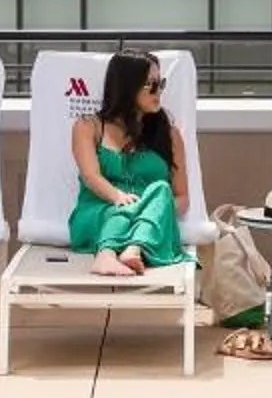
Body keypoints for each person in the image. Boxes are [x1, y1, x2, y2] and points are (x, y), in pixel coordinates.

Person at [68, 48, 189, 277]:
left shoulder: (169, 134)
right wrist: (118, 197)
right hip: (99, 212)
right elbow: (90, 176)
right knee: (116, 212)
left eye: (160, 83)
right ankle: (106, 255)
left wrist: (151, 210)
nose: (158, 92)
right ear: (127, 86)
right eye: (150, 85)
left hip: (148, 222)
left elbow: (182, 197)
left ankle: (133, 250)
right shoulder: (88, 126)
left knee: (161, 189)